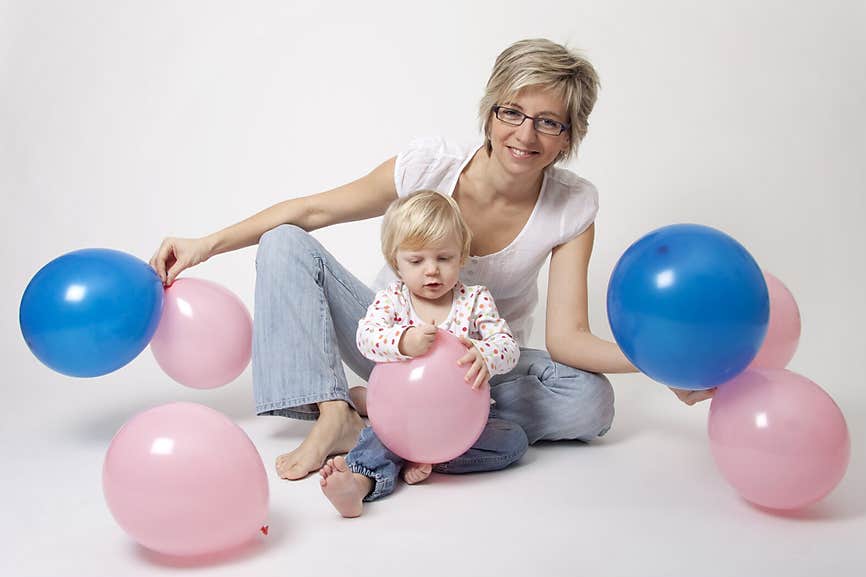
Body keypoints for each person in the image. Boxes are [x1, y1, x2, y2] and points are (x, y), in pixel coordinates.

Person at [149, 38, 713, 482]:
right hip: (390, 339)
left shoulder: (572, 205)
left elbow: (567, 339)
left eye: (550, 122)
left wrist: (664, 364)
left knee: (591, 402)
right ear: (490, 112)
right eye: (513, 112)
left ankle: (403, 425)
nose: (526, 134)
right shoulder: (431, 165)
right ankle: (336, 412)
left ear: (570, 136)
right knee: (285, 240)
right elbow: (314, 210)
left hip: (479, 365)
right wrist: (207, 243)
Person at [319, 190, 522, 517]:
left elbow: (508, 347)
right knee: (378, 440)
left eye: (444, 258)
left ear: (462, 256)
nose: (432, 271)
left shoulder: (474, 299)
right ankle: (358, 483)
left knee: (514, 441)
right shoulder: (392, 301)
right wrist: (402, 341)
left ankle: (425, 458)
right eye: (417, 260)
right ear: (395, 261)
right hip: (400, 419)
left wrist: (486, 353)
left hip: (459, 420)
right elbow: (365, 338)